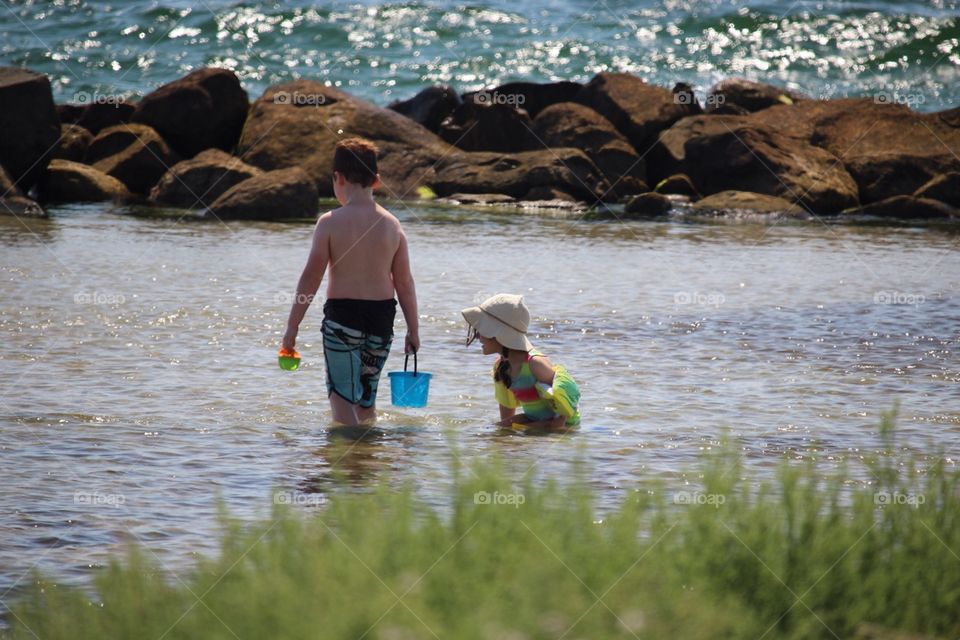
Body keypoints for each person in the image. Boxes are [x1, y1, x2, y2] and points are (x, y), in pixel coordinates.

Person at [283, 137, 419, 426]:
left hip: (344, 318)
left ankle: (352, 457)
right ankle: (368, 460)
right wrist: (413, 329)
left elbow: (311, 278)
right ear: (377, 181)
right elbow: (404, 283)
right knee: (366, 399)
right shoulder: (393, 225)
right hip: (382, 319)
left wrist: (292, 327)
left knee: (341, 398)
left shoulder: (330, 222)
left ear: (338, 178)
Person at [462, 294, 580, 430]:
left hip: (561, 423)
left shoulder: (535, 363)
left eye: (481, 331)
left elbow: (564, 400)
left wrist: (556, 426)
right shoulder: (501, 367)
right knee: (496, 429)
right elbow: (506, 410)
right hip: (534, 418)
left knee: (512, 431)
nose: (477, 337)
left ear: (500, 334)